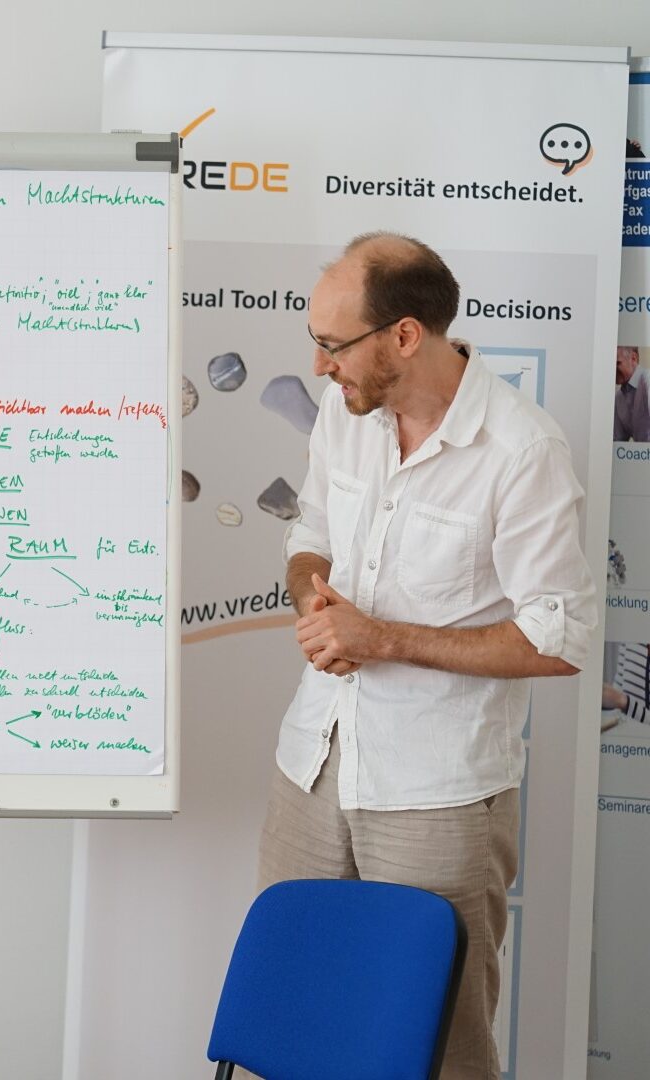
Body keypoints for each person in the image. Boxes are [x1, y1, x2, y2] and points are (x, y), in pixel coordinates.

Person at [259, 233, 596, 1080]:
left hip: (437, 791)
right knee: (291, 1015)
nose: (320, 365)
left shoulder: (522, 450)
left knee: (441, 1044)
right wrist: (313, 600)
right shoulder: (344, 414)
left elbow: (557, 640)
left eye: (334, 345)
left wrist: (383, 638)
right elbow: (310, 535)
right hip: (314, 763)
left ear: (405, 336)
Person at [613, 346, 649, 442]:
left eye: (617, 363)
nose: (612, 369)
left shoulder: (647, 380)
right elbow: (617, 441)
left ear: (633, 358)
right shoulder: (619, 397)